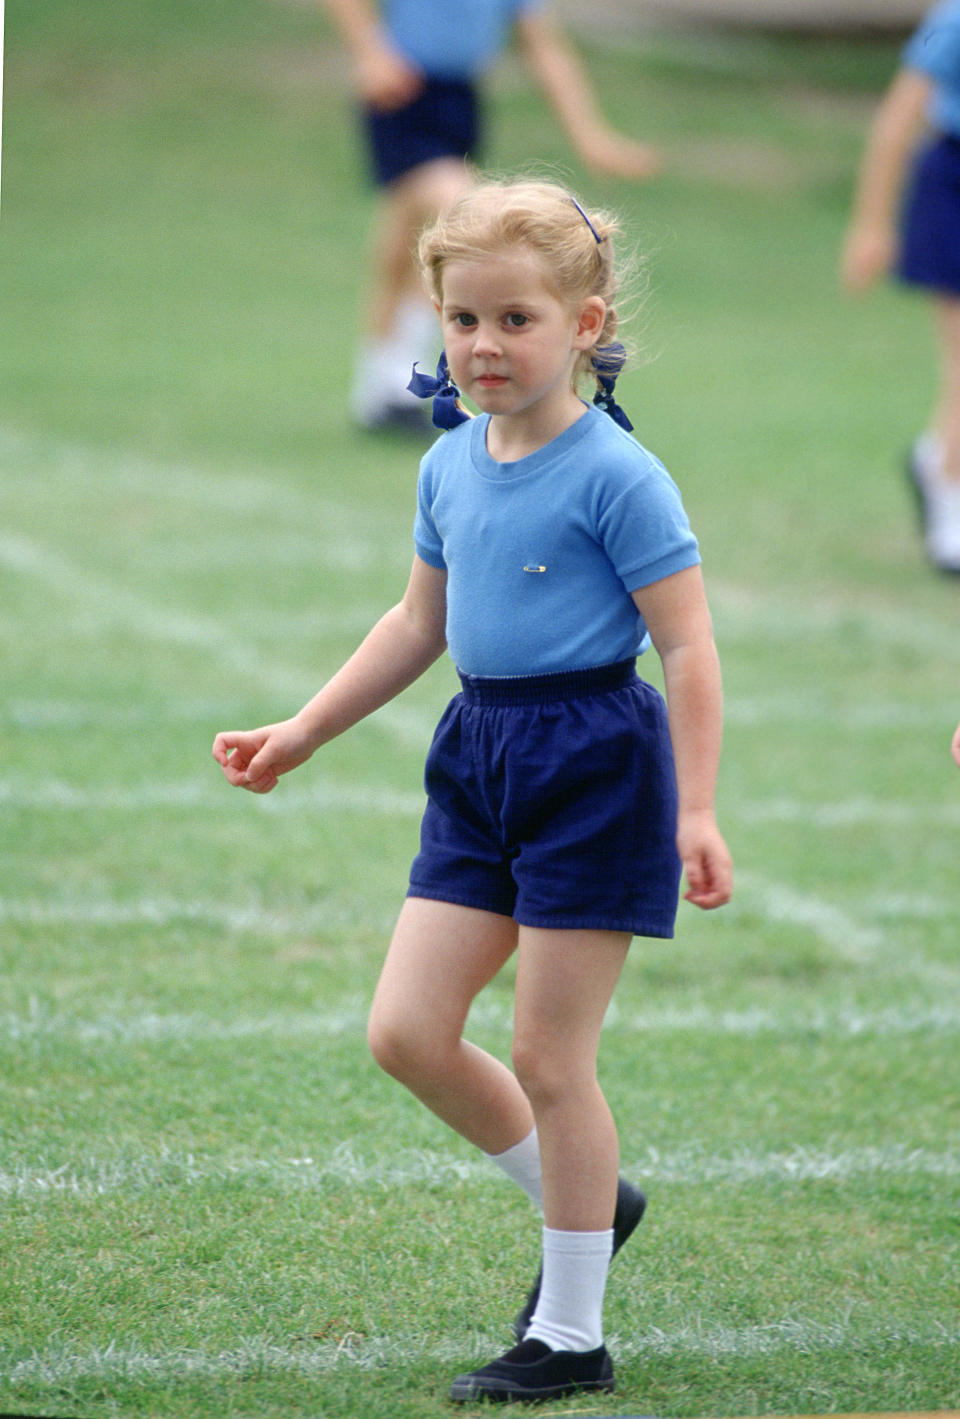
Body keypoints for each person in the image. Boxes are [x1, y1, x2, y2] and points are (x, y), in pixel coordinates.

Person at [213, 178, 732, 1403]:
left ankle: (571, 1332)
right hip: (480, 757)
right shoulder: (449, 464)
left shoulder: (619, 476)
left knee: (552, 1060)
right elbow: (416, 623)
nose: (485, 347)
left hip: (596, 761)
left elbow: (691, 647)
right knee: (405, 1032)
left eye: (516, 321)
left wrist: (695, 808)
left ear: (586, 325)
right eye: (463, 322)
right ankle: (592, 1200)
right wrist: (303, 731)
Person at [318, 0, 661, 433]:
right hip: (400, 89)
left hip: (461, 98)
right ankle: (398, 386)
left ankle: (382, 388)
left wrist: (590, 135)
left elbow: (544, 45)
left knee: (403, 240)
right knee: (454, 208)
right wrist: (371, 52)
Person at [841, 0, 960, 574]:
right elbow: (896, 121)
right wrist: (871, 225)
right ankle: (950, 494)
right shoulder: (955, 22)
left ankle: (939, 457)